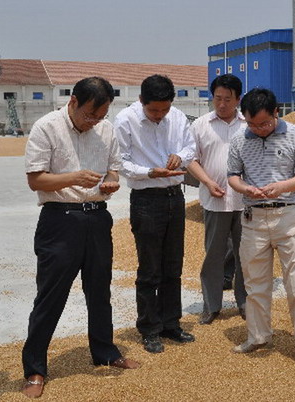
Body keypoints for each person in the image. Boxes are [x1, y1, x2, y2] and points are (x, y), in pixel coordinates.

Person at [21, 77, 140, 398]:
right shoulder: (47, 127)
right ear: (72, 101)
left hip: (97, 217)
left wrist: (111, 182)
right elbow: (36, 180)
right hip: (60, 220)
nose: (94, 122)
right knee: (50, 295)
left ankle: (105, 351)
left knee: (99, 290)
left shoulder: (106, 129)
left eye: (100, 116)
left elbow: (113, 169)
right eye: (89, 115)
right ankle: (34, 368)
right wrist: (73, 177)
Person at [227, 88, 295, 371]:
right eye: (251, 124)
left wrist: (282, 187)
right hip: (253, 218)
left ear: (277, 112)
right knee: (255, 283)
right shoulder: (239, 138)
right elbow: (232, 176)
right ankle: (258, 336)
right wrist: (245, 189)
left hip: (289, 216)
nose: (258, 129)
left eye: (264, 123)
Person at [114, 74, 196, 354]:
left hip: (175, 196)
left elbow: (191, 147)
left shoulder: (178, 117)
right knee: (150, 268)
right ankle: (149, 328)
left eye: (164, 109)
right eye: (153, 110)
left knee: (173, 265)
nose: (159, 115)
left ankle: (171, 323)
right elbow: (120, 162)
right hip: (146, 199)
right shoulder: (125, 120)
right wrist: (149, 172)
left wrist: (181, 157)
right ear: (141, 101)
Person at [188, 74, 247, 325]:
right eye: (217, 98)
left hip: (245, 202)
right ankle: (211, 306)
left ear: (238, 99)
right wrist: (208, 182)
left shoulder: (248, 125)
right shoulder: (201, 125)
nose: (221, 104)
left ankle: (245, 303)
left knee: (247, 256)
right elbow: (191, 160)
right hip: (215, 202)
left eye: (227, 99)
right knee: (213, 255)